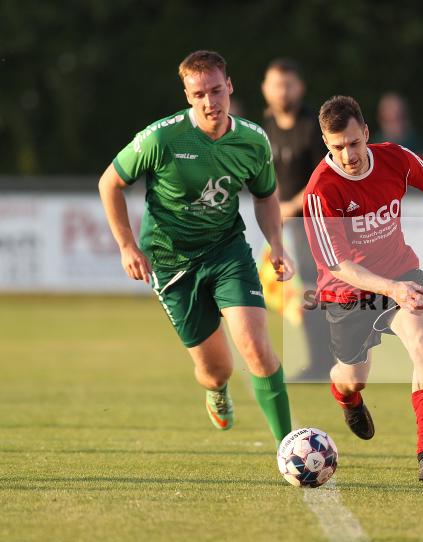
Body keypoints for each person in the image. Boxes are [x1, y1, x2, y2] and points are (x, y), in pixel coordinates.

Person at [97, 50, 295, 443]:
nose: (210, 102)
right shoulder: (161, 138)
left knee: (256, 348)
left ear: (230, 87)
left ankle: (289, 446)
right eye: (200, 93)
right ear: (188, 95)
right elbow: (110, 183)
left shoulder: (253, 141)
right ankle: (216, 391)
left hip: (227, 252)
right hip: (171, 265)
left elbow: (266, 196)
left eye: (217, 91)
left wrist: (276, 244)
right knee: (216, 369)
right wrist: (127, 246)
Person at [303, 96, 423, 481]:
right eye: (338, 147)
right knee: (353, 376)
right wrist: (389, 288)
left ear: (366, 133)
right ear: (326, 143)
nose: (349, 154)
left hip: (402, 273)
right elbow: (340, 265)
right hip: (347, 293)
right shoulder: (320, 191)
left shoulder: (396, 157)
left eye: (354, 143)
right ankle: (346, 396)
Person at [260, 58, 332, 381]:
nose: (282, 91)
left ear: (299, 87)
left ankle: (322, 363)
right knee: (286, 296)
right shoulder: (263, 128)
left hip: (313, 225)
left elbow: (324, 176)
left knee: (313, 295)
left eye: (288, 84)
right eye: (276, 84)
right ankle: (315, 362)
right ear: (265, 89)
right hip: (278, 225)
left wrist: (289, 206)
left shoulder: (313, 126)